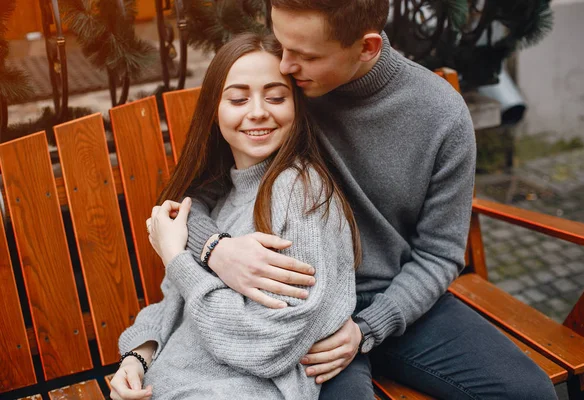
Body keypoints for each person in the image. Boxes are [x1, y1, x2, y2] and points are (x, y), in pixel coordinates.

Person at [167, 1, 559, 399]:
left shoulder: (439, 114)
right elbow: (192, 199)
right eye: (282, 43)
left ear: (367, 47)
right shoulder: (283, 94)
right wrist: (217, 250)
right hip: (305, 310)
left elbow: (440, 254)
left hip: (395, 301)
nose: (284, 65)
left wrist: (369, 328)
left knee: (531, 393)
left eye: (304, 55)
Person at [110, 32, 361, 400]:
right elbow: (174, 301)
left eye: (276, 97)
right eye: (238, 98)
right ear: (215, 109)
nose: (258, 111)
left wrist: (177, 260)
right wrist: (137, 358)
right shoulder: (222, 194)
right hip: (161, 384)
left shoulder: (301, 194)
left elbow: (270, 342)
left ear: (297, 108)